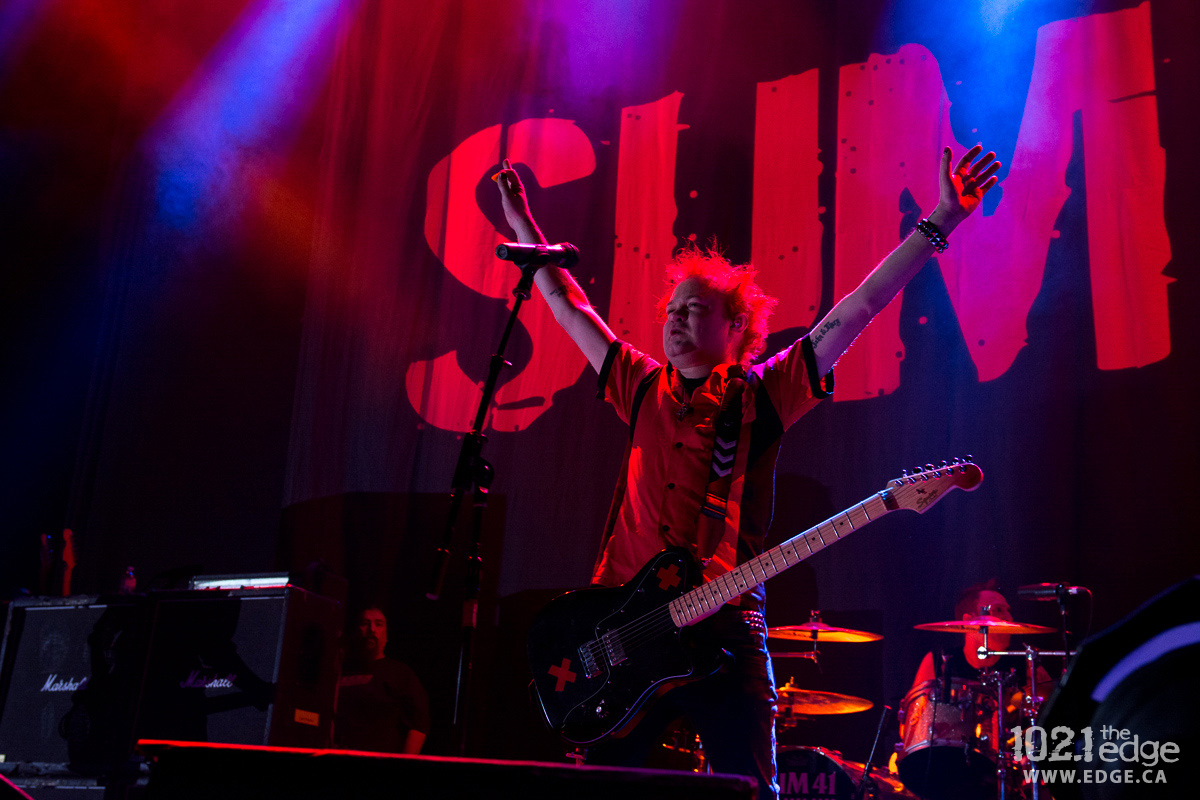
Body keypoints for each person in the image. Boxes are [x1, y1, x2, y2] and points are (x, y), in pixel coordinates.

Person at [496, 144, 1000, 799]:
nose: (675, 322)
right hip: (619, 627)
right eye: (671, 311)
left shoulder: (765, 392)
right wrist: (523, 226)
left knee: (752, 791)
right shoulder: (639, 384)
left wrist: (940, 221)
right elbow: (567, 304)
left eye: (694, 310)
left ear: (734, 325)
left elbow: (858, 308)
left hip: (725, 628)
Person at [334, 607, 430, 754]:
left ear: (386, 635)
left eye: (378, 624)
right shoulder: (339, 669)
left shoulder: (401, 674)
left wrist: (403, 764)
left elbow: (419, 722)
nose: (372, 629)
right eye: (365, 623)